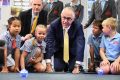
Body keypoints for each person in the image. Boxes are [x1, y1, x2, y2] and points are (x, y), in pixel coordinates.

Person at [45, 7, 85, 74]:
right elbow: (49, 43)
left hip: (73, 51)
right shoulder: (53, 25)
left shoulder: (78, 26)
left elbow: (80, 44)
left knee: (72, 68)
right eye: (63, 17)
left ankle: (74, 66)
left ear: (73, 19)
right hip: (59, 50)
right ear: (61, 16)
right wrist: (48, 64)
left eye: (69, 18)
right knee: (58, 68)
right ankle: (64, 65)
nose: (65, 21)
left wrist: (77, 65)